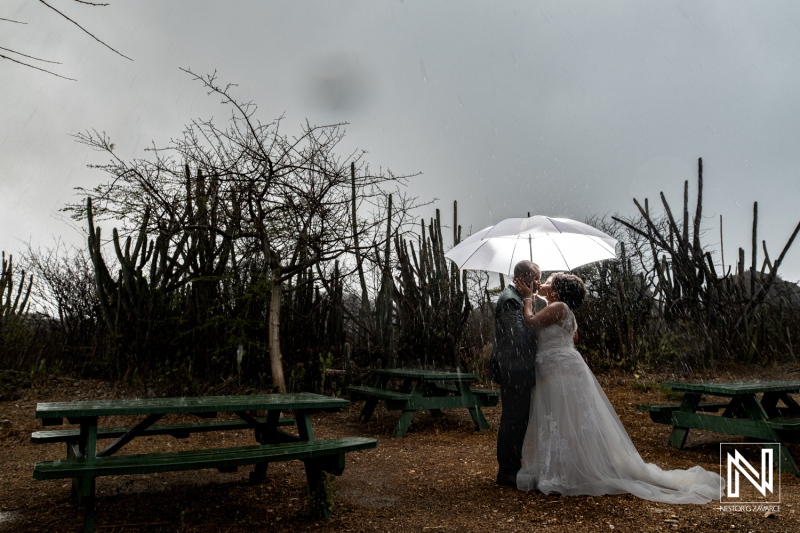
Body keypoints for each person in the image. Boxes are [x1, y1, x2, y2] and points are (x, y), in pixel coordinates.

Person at [513, 272, 721, 503]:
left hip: (559, 369)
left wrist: (527, 298)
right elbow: (575, 337)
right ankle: (567, 467)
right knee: (565, 419)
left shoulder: (559, 307)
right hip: (559, 367)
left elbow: (531, 324)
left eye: (549, 282)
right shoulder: (563, 310)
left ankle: (568, 471)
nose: (543, 284)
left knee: (564, 418)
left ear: (557, 291)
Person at [490, 260, 541, 487]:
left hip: (517, 368)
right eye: (536, 278)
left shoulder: (518, 297)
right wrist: (544, 331)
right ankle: (507, 472)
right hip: (514, 369)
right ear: (523, 278)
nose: (539, 282)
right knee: (513, 420)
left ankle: (513, 467)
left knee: (519, 419)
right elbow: (518, 337)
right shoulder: (511, 300)